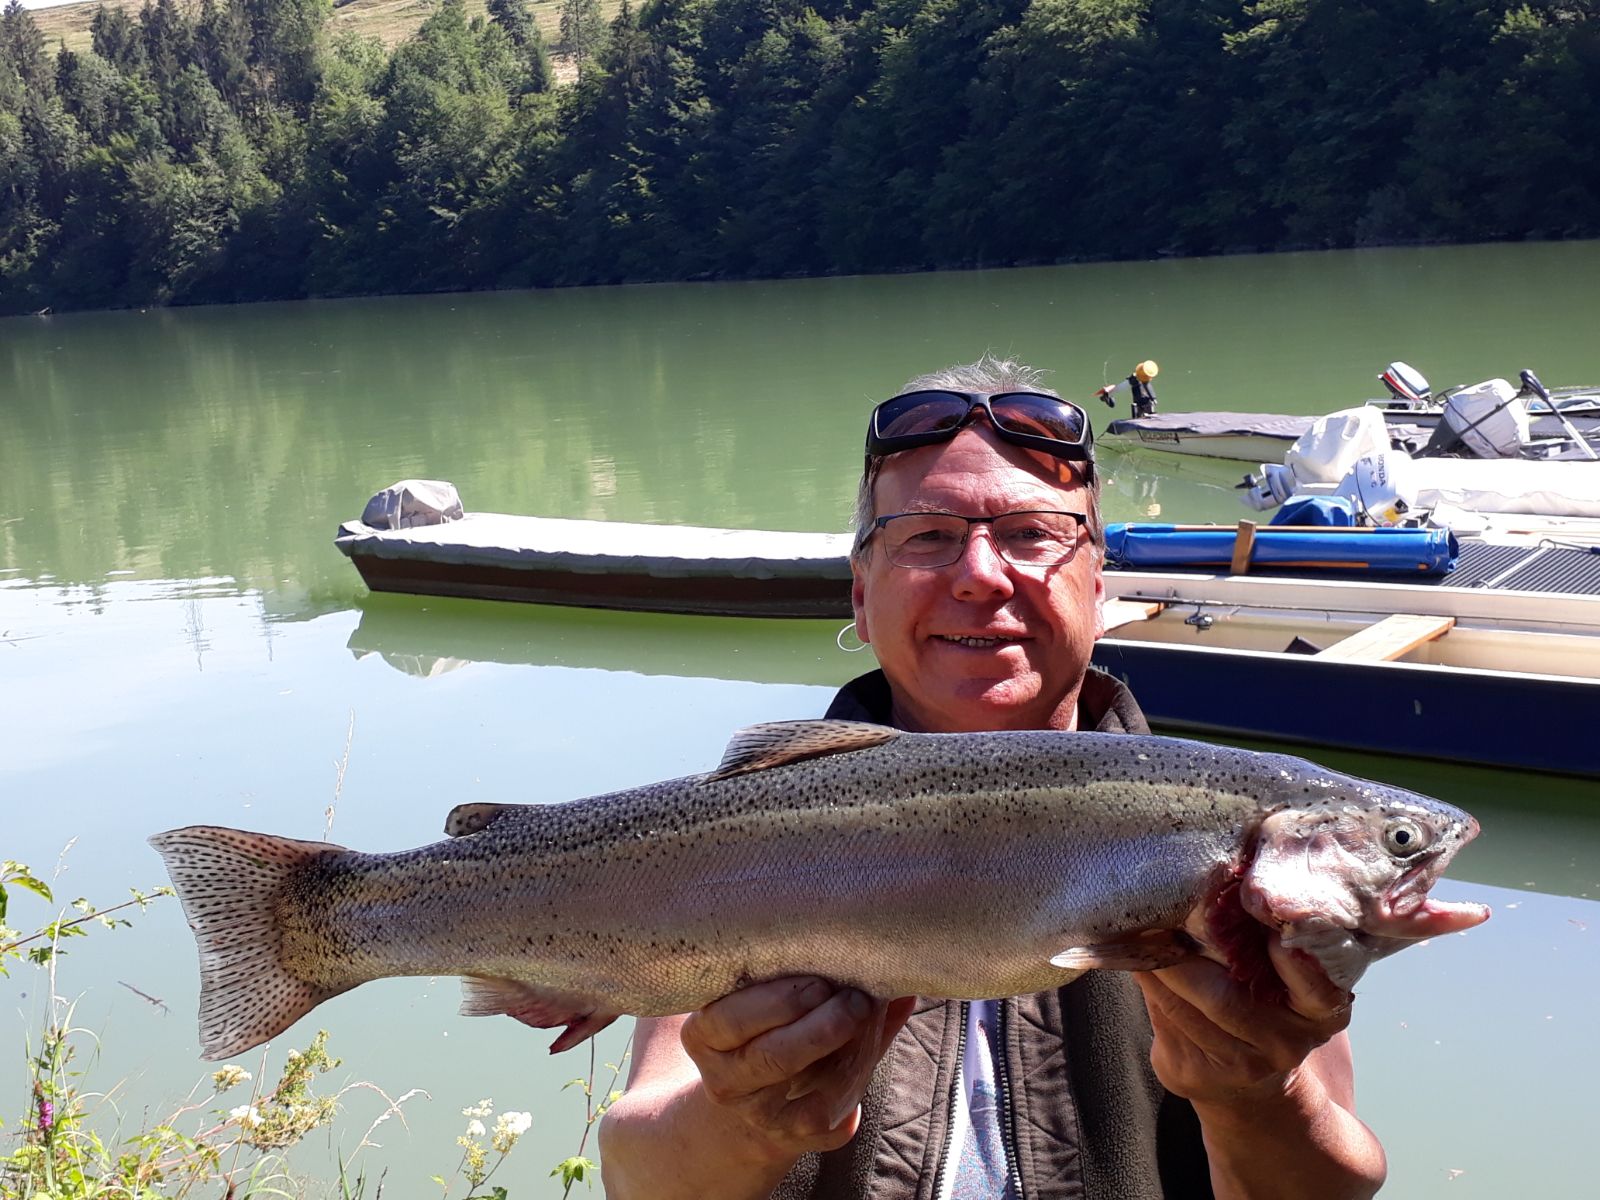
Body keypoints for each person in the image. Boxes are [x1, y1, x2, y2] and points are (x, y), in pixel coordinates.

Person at [598, 357, 1386, 1199]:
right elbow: (639, 1177)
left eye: (1031, 534)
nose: (980, 573)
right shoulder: (728, 833)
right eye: (927, 536)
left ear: (1099, 585)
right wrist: (740, 1124)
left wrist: (1260, 1099)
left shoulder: (1246, 838)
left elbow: (1336, 1185)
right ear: (860, 595)